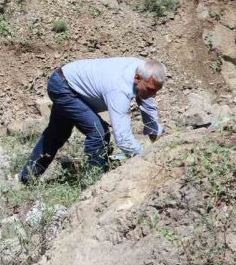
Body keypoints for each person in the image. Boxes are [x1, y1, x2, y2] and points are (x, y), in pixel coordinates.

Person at [19, 57, 166, 184]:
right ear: (137, 78)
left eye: (157, 91)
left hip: (69, 82)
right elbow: (123, 139)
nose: (153, 95)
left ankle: (27, 178)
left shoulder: (144, 73)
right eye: (150, 90)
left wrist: (158, 142)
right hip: (63, 87)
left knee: (57, 133)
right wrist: (147, 159)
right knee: (99, 133)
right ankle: (92, 183)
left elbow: (149, 109)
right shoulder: (119, 88)